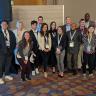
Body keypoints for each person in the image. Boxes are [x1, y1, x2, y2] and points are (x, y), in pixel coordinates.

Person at [0, 20, 16, 84]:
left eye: (5, 24)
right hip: (1, 52)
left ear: (7, 25)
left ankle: (6, 75)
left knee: (8, 64)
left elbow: (14, 42)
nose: (4, 25)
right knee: (1, 65)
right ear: (1, 25)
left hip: (10, 51)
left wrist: (12, 49)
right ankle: (0, 77)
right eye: (3, 24)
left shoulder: (11, 32)